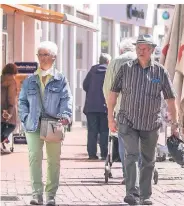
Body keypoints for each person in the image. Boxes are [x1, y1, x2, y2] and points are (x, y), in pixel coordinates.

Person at [107, 34, 178, 205]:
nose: (140, 50)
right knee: (131, 155)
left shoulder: (160, 71)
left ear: (152, 50)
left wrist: (175, 124)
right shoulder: (125, 69)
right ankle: (132, 192)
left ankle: (145, 195)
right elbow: (113, 93)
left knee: (148, 159)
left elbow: (170, 99)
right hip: (127, 120)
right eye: (138, 47)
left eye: (144, 48)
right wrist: (110, 117)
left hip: (150, 123)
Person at [18, 41, 73, 205]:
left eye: (45, 54)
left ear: (54, 57)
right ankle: (36, 194)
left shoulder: (60, 79)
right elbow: (22, 101)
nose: (41, 58)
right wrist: (25, 117)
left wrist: (65, 115)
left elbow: (66, 100)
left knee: (53, 160)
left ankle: (50, 195)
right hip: (33, 124)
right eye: (39, 54)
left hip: (53, 124)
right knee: (34, 157)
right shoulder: (30, 79)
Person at [103, 37, 138, 185]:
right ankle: (142, 173)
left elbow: (108, 87)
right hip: (142, 109)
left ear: (121, 50)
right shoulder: (142, 59)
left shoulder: (115, 61)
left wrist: (111, 109)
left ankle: (128, 174)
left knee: (124, 142)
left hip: (122, 109)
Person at [83, 53, 111, 160]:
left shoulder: (92, 71)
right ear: (108, 62)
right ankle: (104, 153)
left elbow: (85, 85)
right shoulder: (109, 72)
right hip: (105, 106)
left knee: (92, 131)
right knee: (104, 130)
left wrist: (92, 94)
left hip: (91, 106)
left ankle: (92, 154)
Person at [1, 63, 18, 153]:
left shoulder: (1, 78)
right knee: (12, 125)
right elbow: (11, 96)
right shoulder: (11, 81)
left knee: (2, 125)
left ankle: (2, 145)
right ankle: (2, 140)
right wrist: (11, 109)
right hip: (7, 106)